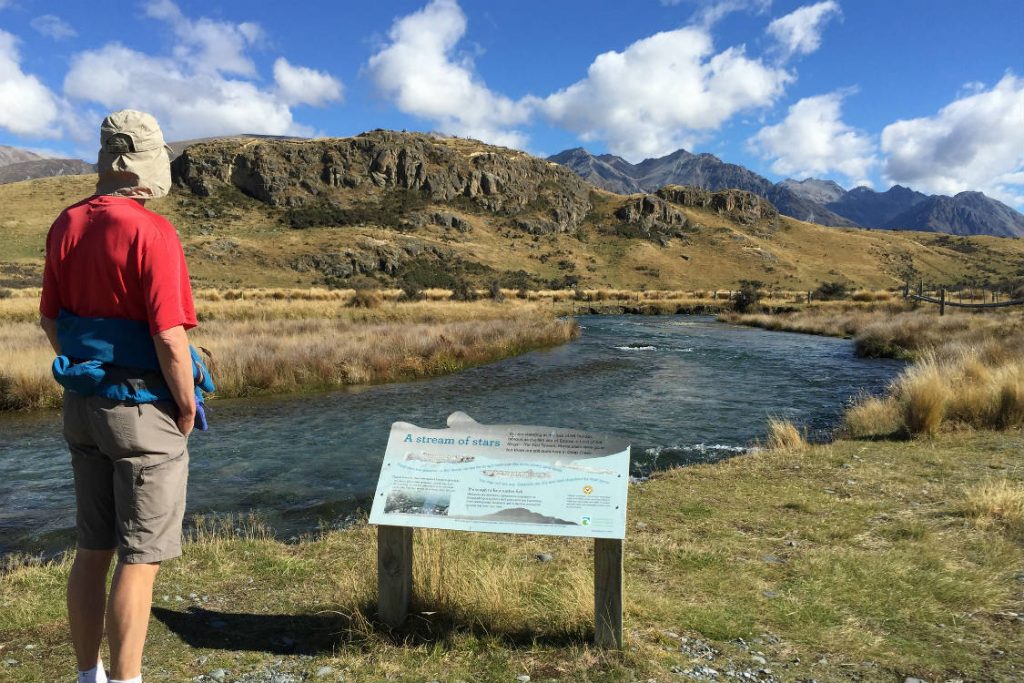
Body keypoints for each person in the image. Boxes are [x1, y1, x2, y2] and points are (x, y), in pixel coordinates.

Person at [39, 110, 212, 683]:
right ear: (149, 165)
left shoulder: (66, 224)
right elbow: (169, 335)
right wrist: (185, 406)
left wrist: (90, 363)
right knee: (141, 558)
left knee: (94, 549)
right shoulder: (152, 231)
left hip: (83, 407)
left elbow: (52, 321)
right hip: (141, 408)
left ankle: (88, 676)